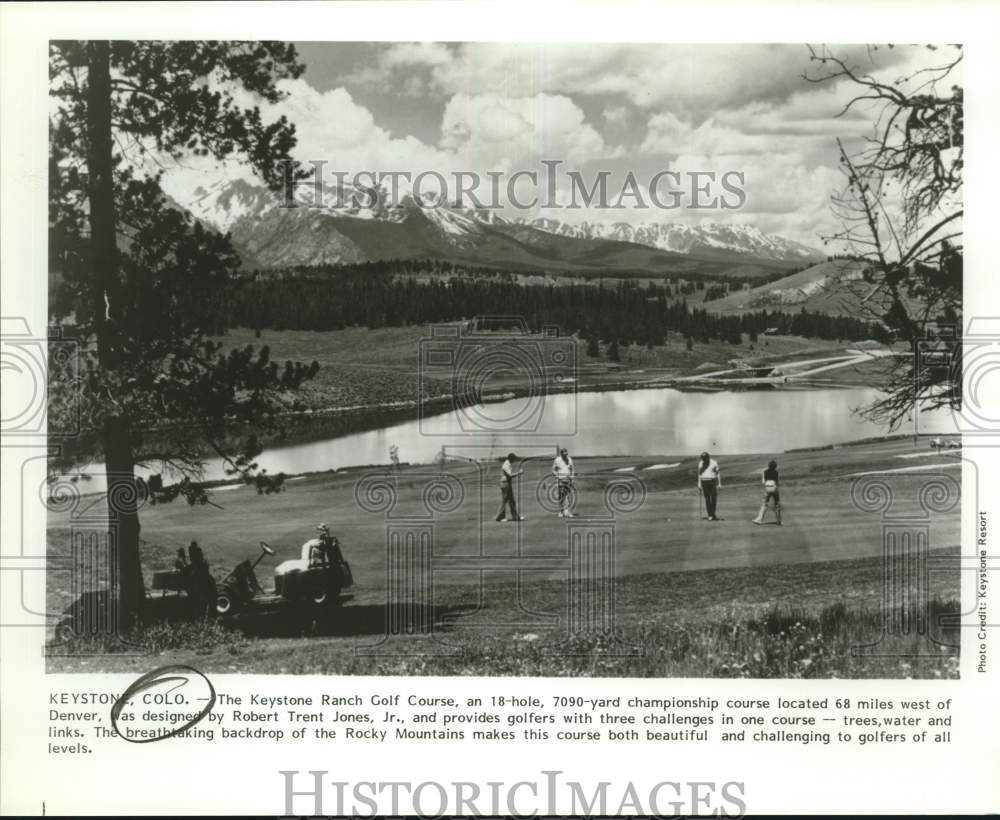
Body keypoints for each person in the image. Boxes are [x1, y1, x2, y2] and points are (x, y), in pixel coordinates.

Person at [495, 452, 524, 522]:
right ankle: (499, 517)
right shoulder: (506, 465)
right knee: (505, 501)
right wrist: (519, 473)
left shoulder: (508, 464)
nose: (514, 461)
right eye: (514, 459)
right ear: (511, 458)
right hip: (505, 484)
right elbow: (510, 475)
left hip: (507, 484)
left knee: (512, 501)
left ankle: (515, 517)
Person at [753, 460, 782, 525]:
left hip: (767, 488)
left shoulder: (765, 472)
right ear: (775, 466)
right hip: (774, 488)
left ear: (769, 465)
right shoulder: (776, 472)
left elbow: (763, 482)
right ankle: (779, 521)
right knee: (777, 504)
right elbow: (777, 482)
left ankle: (759, 520)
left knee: (764, 504)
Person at [697, 451, 722, 521]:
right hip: (704, 482)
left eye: (705, 458)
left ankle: (712, 514)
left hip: (712, 481)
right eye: (703, 458)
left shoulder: (714, 463)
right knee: (707, 499)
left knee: (714, 498)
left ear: (708, 457)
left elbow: (717, 473)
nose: (704, 460)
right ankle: (710, 515)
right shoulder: (701, 463)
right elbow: (699, 474)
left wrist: (719, 483)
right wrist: (699, 484)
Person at [552, 447, 576, 517]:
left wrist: (572, 478)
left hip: (568, 480)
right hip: (560, 480)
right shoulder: (557, 460)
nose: (566, 455)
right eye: (564, 454)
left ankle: (567, 511)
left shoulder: (569, 459)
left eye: (566, 454)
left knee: (568, 495)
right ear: (561, 454)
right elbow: (553, 470)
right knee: (561, 496)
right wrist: (557, 476)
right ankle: (560, 511)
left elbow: (572, 469)